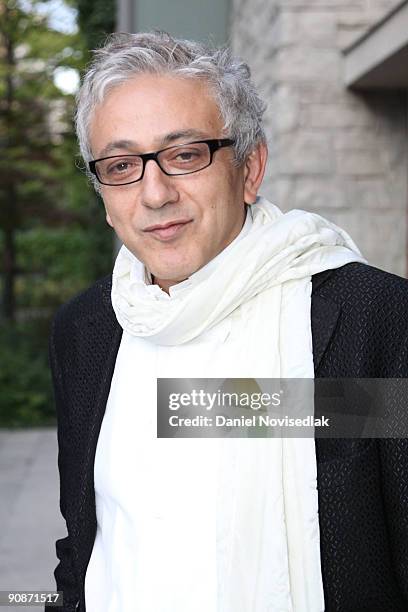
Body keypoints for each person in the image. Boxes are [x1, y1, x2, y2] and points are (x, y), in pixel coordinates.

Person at [47, 31, 408, 612]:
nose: (155, 193)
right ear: (103, 192)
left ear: (250, 168)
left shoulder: (374, 324)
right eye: (120, 165)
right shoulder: (87, 331)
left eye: (185, 155)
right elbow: (86, 544)